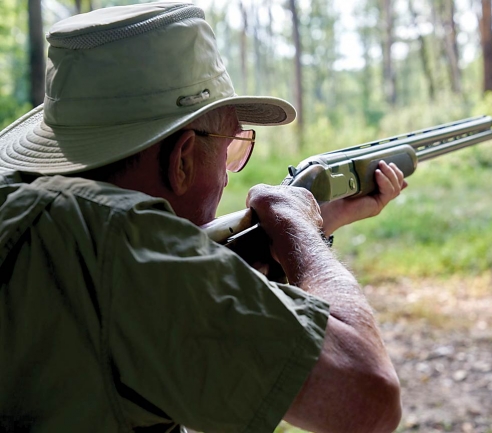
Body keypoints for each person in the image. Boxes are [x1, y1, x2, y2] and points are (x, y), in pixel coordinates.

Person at [0, 2, 406, 432]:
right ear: (182, 159)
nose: (230, 176)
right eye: (231, 145)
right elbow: (370, 396)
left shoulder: (29, 207)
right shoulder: (128, 250)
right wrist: (299, 232)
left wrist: (310, 228)